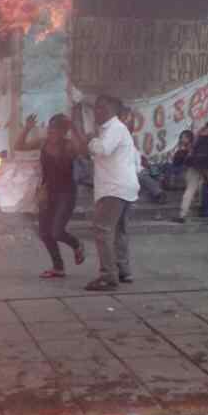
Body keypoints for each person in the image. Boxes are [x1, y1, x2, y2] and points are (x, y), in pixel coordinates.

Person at [72, 95, 139, 290]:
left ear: (113, 110)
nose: (98, 112)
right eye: (96, 109)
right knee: (118, 231)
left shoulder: (115, 128)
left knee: (102, 230)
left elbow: (102, 149)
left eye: (102, 109)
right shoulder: (110, 130)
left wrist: (91, 138)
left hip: (114, 188)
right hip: (121, 187)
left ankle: (108, 276)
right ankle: (123, 270)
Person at [15, 113, 85, 278]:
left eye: (55, 129)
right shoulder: (43, 143)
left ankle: (76, 244)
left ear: (63, 131)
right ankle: (58, 267)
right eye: (50, 128)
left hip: (66, 194)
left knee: (57, 231)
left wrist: (75, 128)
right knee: (44, 232)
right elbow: (19, 146)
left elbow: (83, 150)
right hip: (47, 193)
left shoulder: (68, 146)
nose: (51, 132)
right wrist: (27, 128)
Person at [174, 111, 208, 223]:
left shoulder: (202, 130)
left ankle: (182, 215)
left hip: (195, 162)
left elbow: (193, 147)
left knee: (190, 188)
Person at [118, 106, 166, 204]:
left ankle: (158, 193)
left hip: (137, 168)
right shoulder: (118, 133)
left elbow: (135, 155)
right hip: (126, 170)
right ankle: (159, 193)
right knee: (142, 175)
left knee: (154, 171)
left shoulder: (128, 138)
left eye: (131, 120)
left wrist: (144, 162)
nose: (131, 123)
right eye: (128, 119)